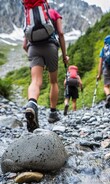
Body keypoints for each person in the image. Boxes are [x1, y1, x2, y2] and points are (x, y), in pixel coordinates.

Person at [23, 3, 69, 132]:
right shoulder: (53, 13)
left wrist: (35, 59)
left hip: (33, 48)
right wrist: (65, 55)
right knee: (53, 81)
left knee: (35, 81)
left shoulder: (28, 14)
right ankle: (53, 113)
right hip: (50, 47)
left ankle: (32, 103)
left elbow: (24, 44)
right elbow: (60, 33)